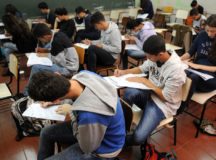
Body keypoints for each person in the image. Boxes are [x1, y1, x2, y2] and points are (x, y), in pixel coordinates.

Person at [28, 71, 126, 160]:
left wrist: (72, 111)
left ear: (56, 100)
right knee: (46, 132)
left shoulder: (89, 115)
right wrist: (58, 102)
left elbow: (87, 148)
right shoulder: (83, 75)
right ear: (57, 74)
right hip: (97, 128)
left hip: (104, 148)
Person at [115, 35, 186, 145]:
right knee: (129, 92)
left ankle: (117, 142)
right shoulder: (155, 57)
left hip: (163, 104)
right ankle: (122, 127)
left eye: (149, 57)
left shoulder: (176, 70)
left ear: (160, 54)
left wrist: (146, 82)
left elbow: (166, 97)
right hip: (149, 94)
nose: (147, 59)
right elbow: (141, 68)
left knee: (138, 138)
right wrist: (123, 72)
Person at [181, 15, 216, 99]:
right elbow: (189, 53)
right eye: (207, 30)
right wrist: (178, 59)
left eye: (213, 31)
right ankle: (177, 100)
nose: (209, 33)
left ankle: (181, 105)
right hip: (196, 70)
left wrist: (197, 66)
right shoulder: (201, 35)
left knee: (192, 77)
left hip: (212, 76)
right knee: (182, 72)